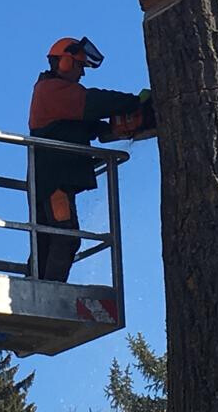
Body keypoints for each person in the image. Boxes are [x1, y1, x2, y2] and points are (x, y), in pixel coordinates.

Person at [28, 36, 147, 282]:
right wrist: (138, 102)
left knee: (47, 237)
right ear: (65, 63)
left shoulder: (57, 95)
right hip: (54, 180)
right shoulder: (52, 90)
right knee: (65, 236)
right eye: (80, 66)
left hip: (51, 177)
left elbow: (92, 126)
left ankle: (34, 283)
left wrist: (120, 127)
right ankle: (48, 290)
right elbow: (96, 103)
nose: (82, 73)